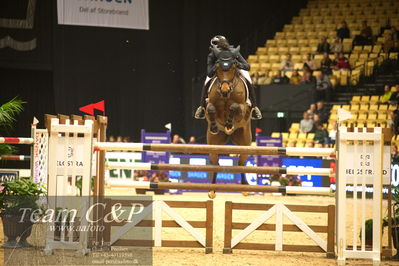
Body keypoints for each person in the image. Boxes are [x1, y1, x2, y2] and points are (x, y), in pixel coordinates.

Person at [195, 35, 262, 120]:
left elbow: (247, 66)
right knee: (207, 81)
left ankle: (255, 107)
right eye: (215, 44)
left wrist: (238, 64)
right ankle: (201, 107)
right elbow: (209, 73)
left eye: (217, 44)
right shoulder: (212, 55)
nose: (217, 47)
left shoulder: (233, 52)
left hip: (234, 70)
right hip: (219, 72)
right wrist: (216, 66)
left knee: (248, 78)